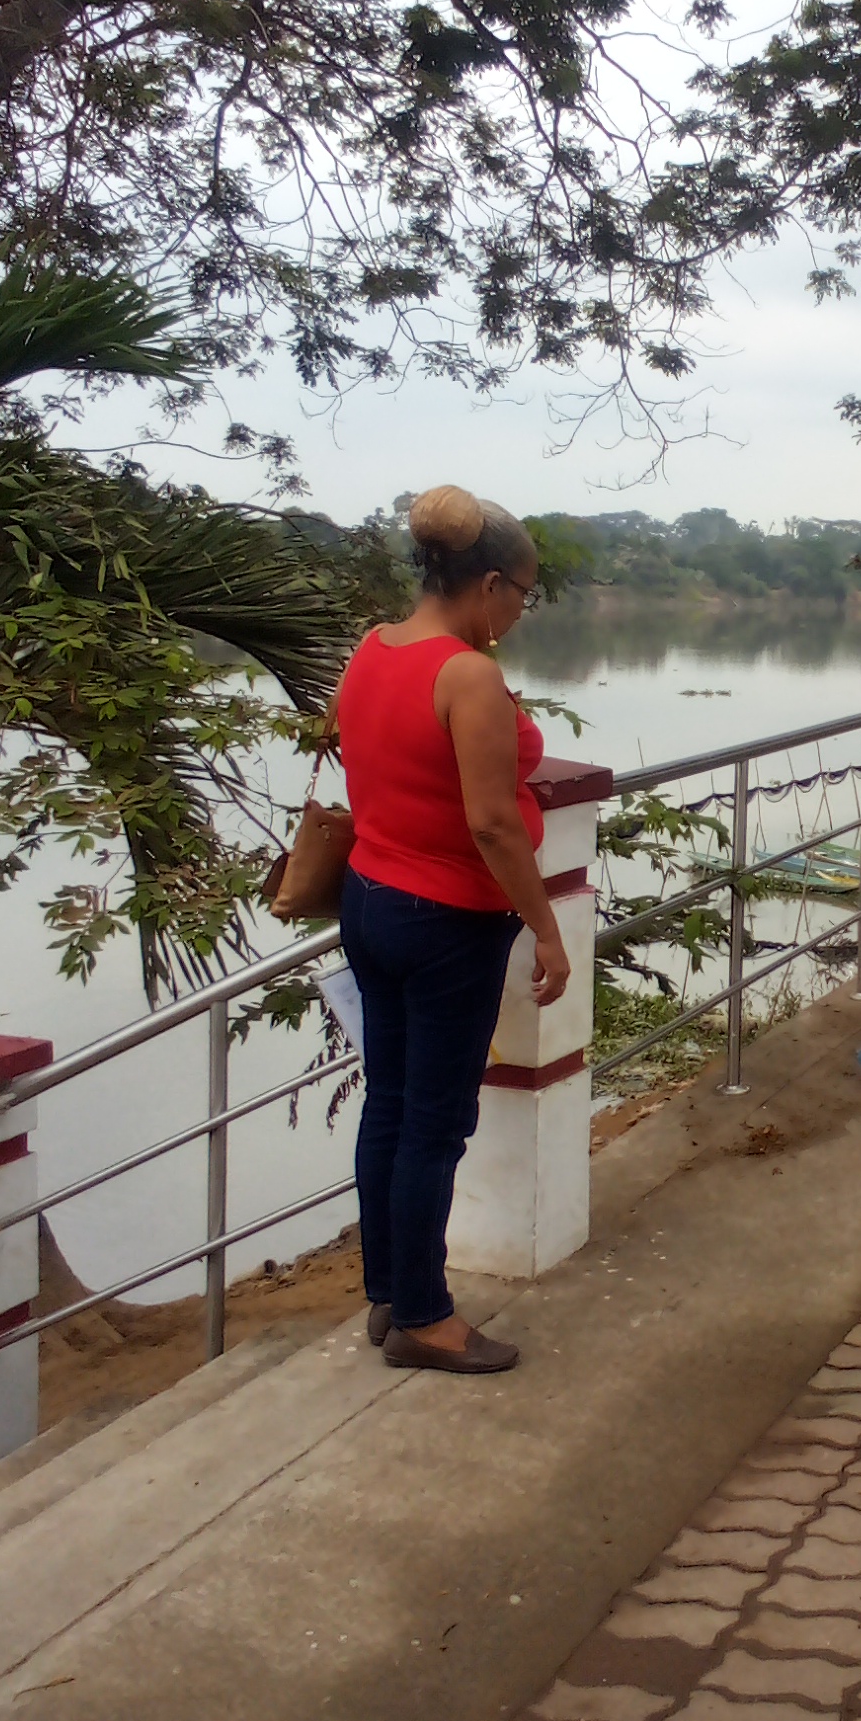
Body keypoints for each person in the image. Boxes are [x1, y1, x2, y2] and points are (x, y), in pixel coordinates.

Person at [333, 484, 570, 1375]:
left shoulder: (374, 647)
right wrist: (546, 929)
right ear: (492, 585)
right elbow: (493, 824)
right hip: (445, 920)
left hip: (371, 898)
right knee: (435, 1122)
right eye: (523, 595)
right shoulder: (466, 675)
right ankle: (425, 1319)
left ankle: (389, 1292)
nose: (518, 613)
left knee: (390, 1104)